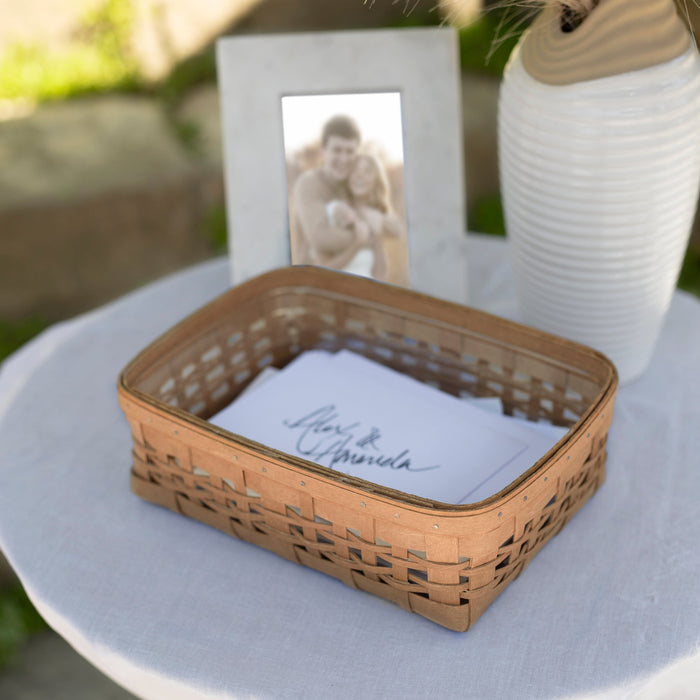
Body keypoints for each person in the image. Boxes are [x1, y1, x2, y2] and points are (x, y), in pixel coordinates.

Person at [290, 115, 370, 270]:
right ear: (323, 150)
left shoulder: (352, 187)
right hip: (312, 287)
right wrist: (364, 236)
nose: (343, 158)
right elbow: (321, 238)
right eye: (337, 150)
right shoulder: (308, 183)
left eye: (350, 151)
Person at [325, 152, 404, 281]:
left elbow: (380, 277)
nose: (359, 175)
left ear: (376, 181)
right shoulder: (336, 209)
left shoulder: (378, 217)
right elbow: (324, 267)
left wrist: (377, 234)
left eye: (367, 171)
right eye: (355, 170)